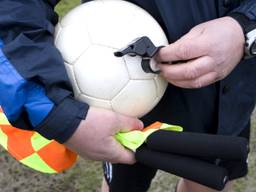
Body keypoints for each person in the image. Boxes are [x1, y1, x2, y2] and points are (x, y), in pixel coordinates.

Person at [0, 0, 255, 192]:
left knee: (208, 184)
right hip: (121, 105)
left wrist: (245, 28)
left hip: (229, 93)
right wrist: (59, 115)